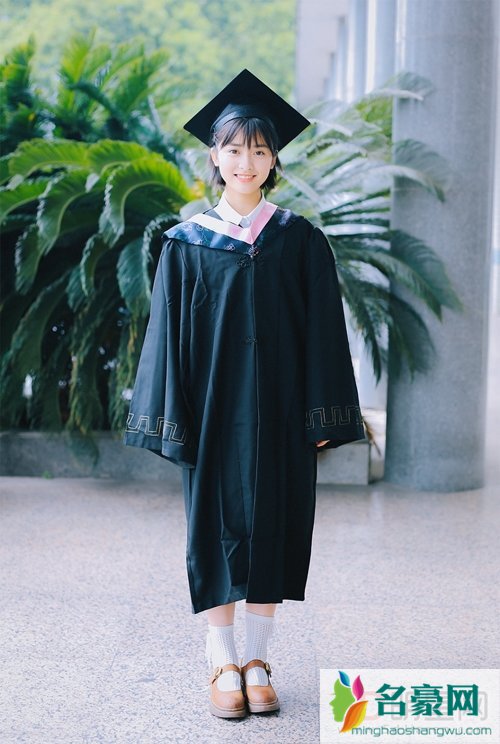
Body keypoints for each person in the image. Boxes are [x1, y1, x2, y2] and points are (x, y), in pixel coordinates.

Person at [124, 69, 365, 719]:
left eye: (259, 149)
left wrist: (322, 414)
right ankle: (222, 661)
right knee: (214, 531)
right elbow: (165, 339)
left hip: (283, 412)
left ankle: (258, 660)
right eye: (234, 149)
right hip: (212, 414)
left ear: (275, 159)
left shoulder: (300, 240)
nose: (246, 162)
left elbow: (324, 332)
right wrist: (171, 419)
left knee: (275, 530)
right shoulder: (185, 244)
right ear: (215, 156)